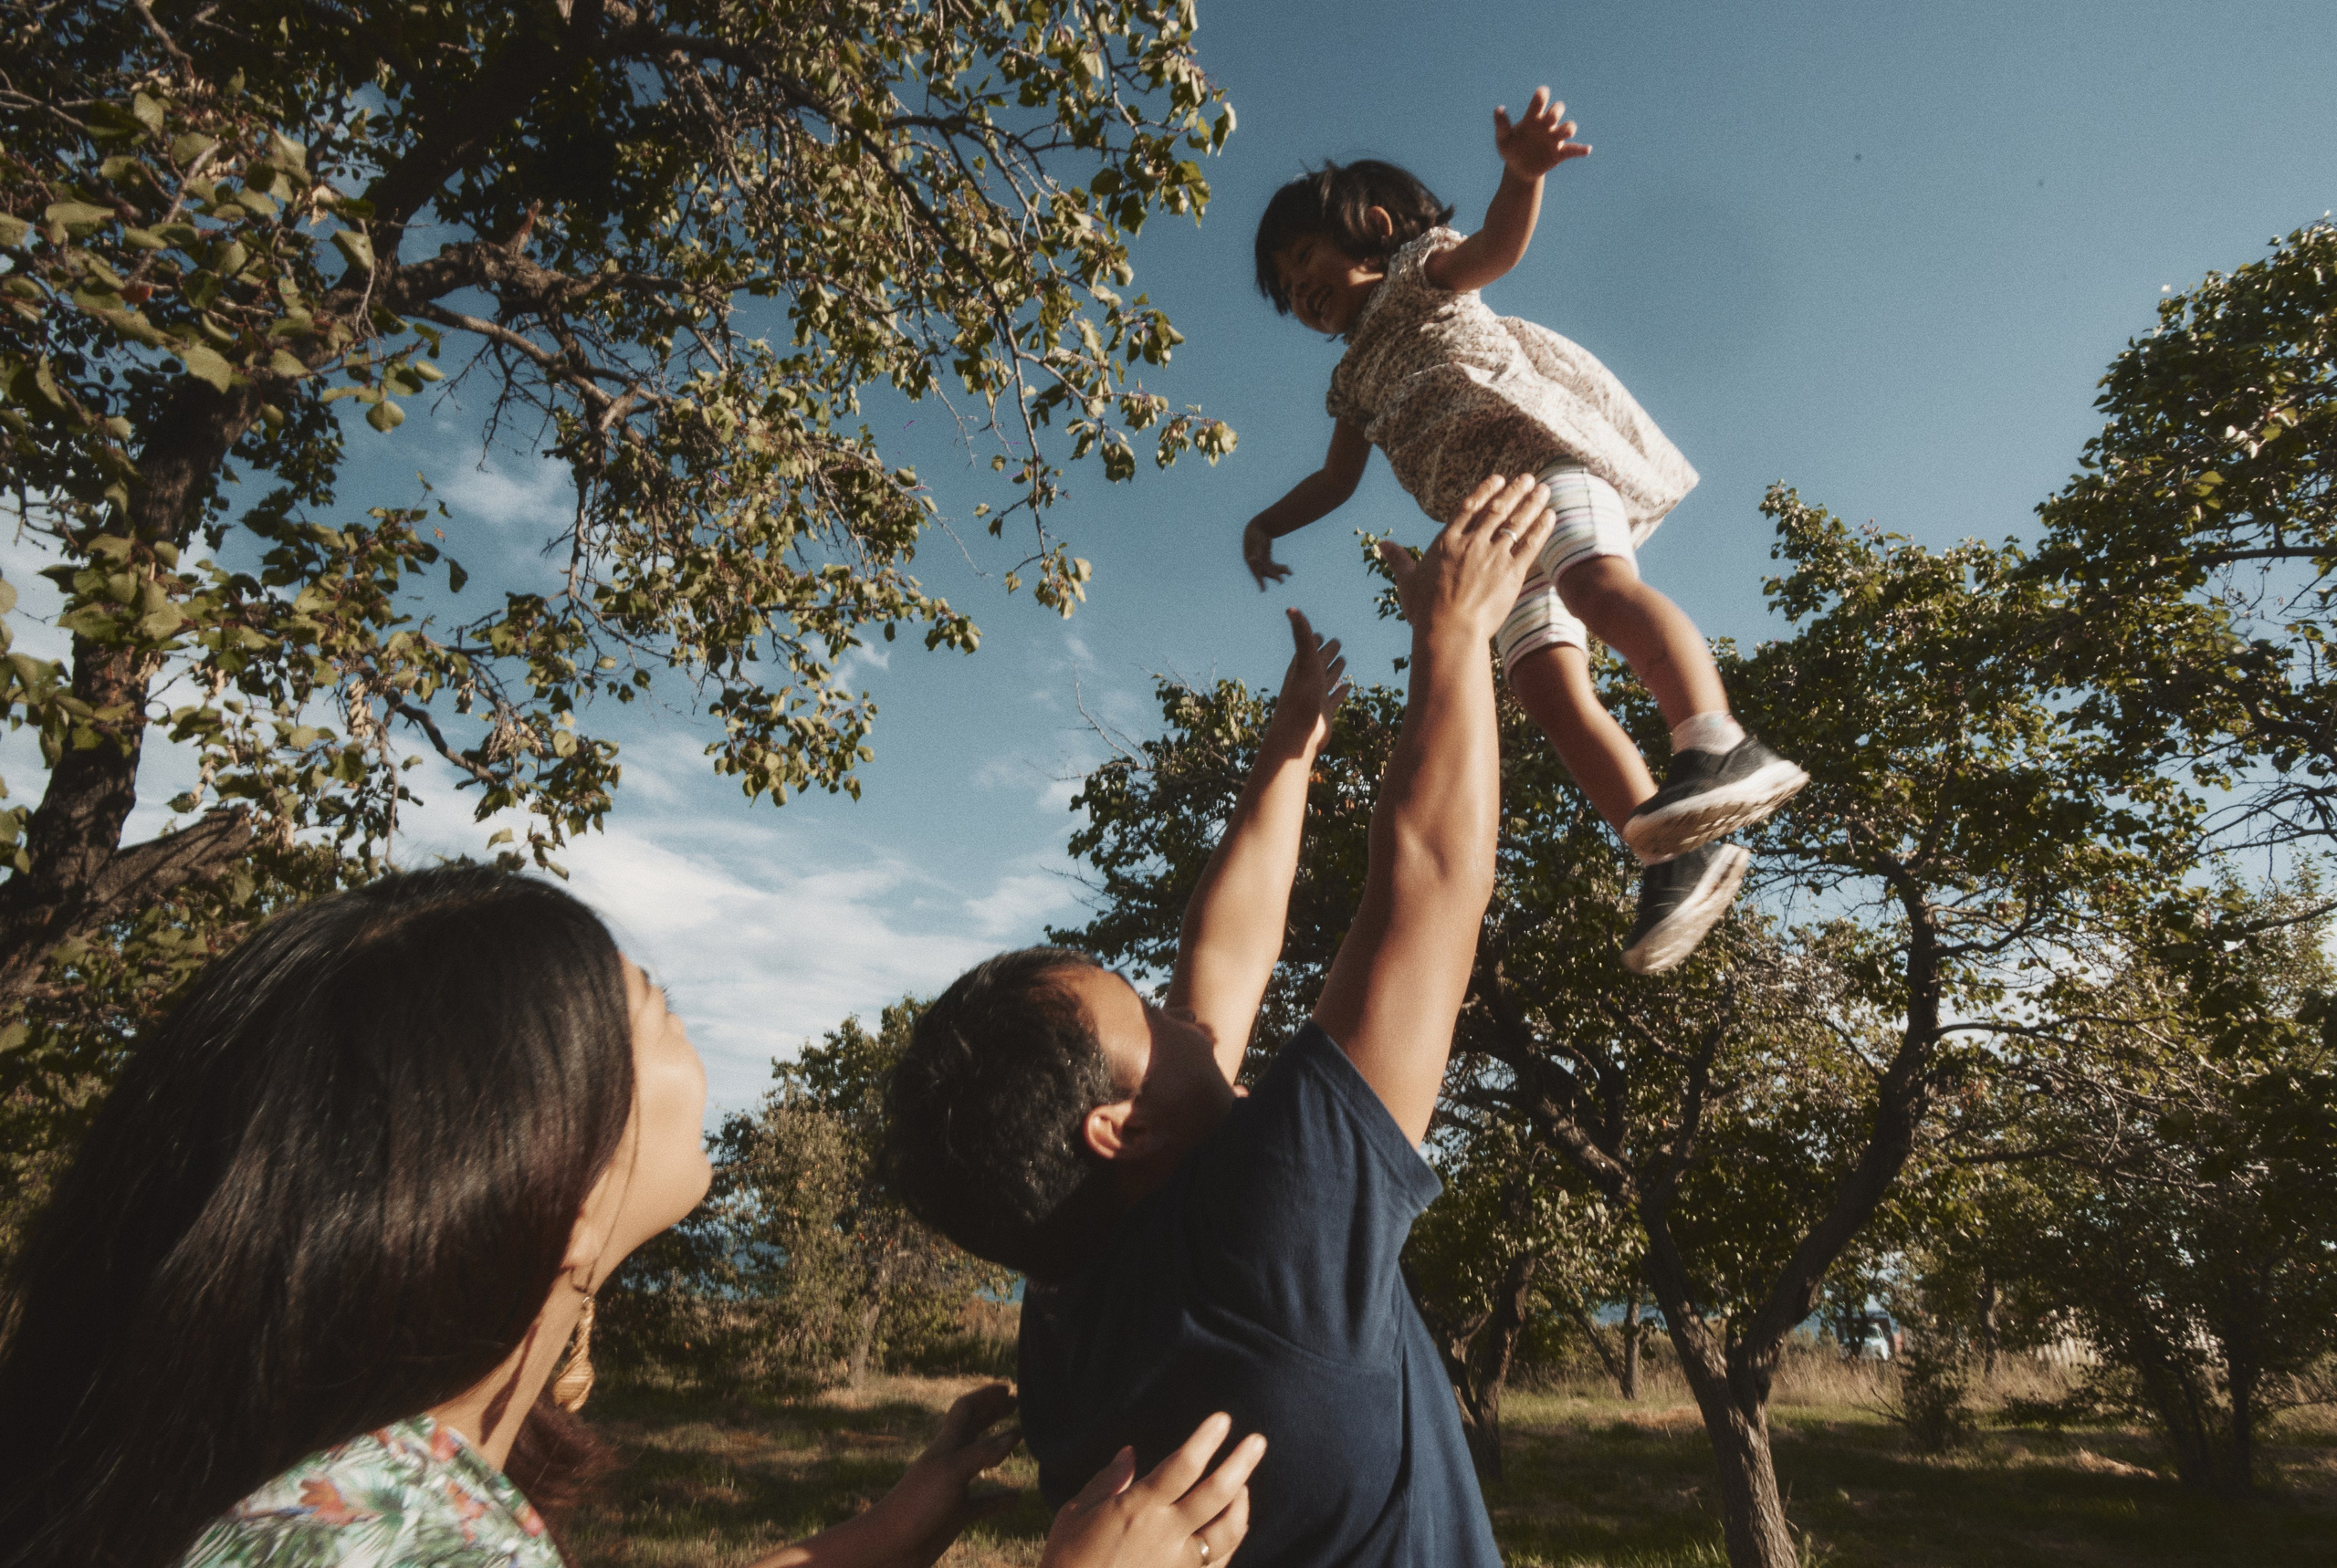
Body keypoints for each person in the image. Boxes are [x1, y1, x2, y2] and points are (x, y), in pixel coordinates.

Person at [0, 866, 1263, 1568]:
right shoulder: (350, 1544)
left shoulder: (383, 1482)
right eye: (642, 1006)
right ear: (523, 1171)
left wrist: (884, 1531)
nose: (668, 1008)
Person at [886, 475, 1562, 1568]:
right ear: (1119, 1129)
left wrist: (1289, 748)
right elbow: (1431, 880)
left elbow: (1222, 959)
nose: (1184, 1017)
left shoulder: (1071, 1304)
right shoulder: (1268, 1233)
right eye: (1148, 1014)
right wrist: (1455, 629)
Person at [1241, 88, 1806, 975]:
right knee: (1542, 683)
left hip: (1545, 465)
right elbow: (1336, 477)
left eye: (1302, 255)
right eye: (1282, 283)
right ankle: (1672, 848)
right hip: (1494, 535)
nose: (1295, 285)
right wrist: (1266, 521)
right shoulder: (1349, 383)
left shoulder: (1416, 278)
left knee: (1598, 587)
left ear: (1374, 227)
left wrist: (1522, 175)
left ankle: (1716, 740)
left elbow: (1494, 249)